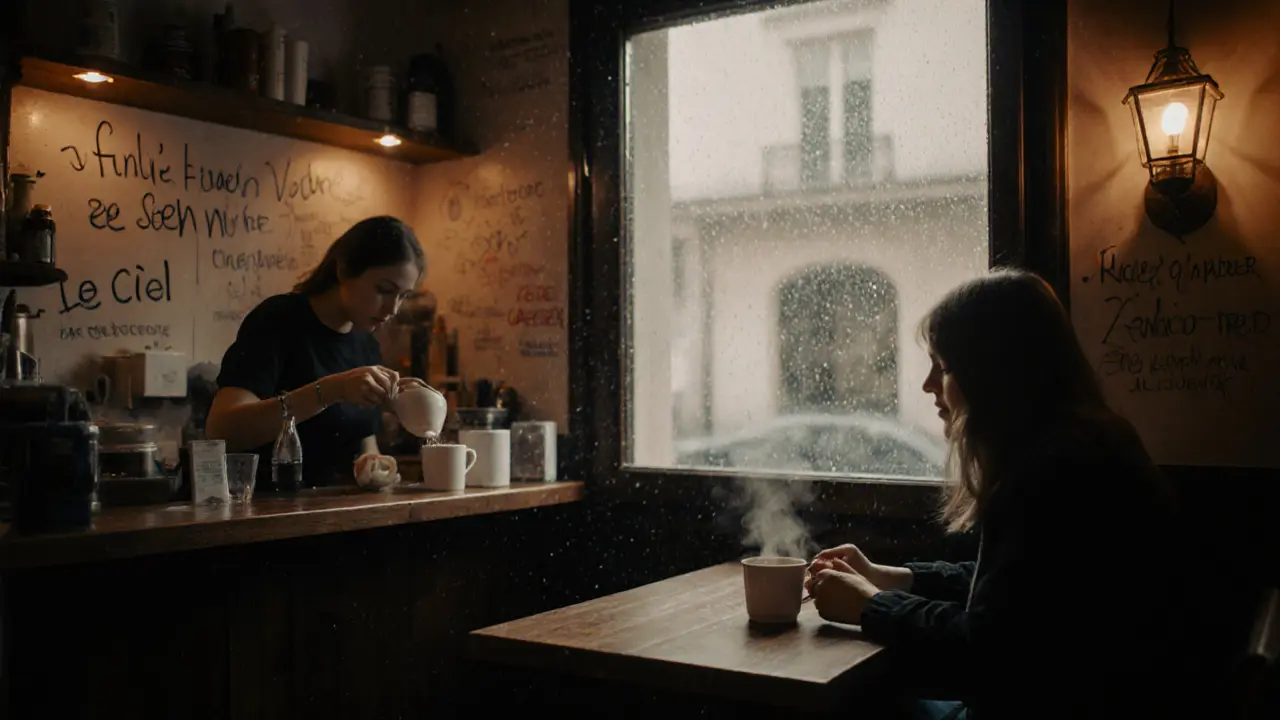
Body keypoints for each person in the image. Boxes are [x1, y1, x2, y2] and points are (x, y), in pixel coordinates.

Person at [805, 269, 1183, 720]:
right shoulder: (1087, 447)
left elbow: (984, 654)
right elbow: (1018, 594)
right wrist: (890, 578)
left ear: (992, 374)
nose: (929, 384)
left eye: (944, 367)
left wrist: (870, 606)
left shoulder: (1050, 475)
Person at [205, 216, 427, 490]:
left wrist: (375, 465)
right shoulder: (278, 320)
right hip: (270, 505)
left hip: (333, 507)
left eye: (403, 296)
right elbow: (222, 430)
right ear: (344, 270)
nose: (393, 309)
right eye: (384, 290)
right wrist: (331, 390)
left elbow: (363, 442)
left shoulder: (365, 343)